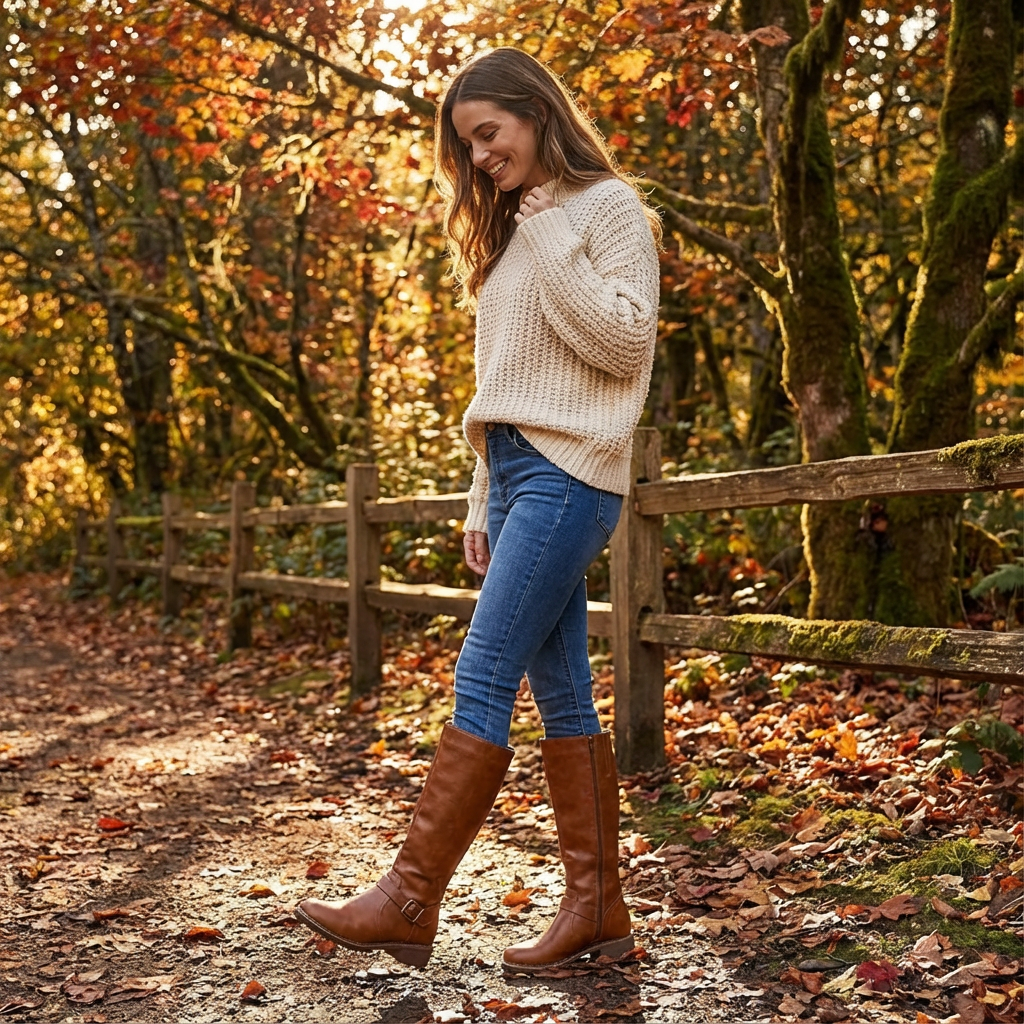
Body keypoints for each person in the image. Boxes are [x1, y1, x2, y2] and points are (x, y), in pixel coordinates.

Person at [296, 46, 662, 973]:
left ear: (537, 112)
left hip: (572, 473)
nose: (482, 158)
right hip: (516, 476)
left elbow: (622, 346)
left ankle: (409, 899)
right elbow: (505, 381)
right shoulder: (511, 232)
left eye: (488, 135)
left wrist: (546, 237)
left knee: (483, 672)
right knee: (563, 695)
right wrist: (481, 493)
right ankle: (600, 915)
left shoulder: (606, 209)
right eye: (469, 147)